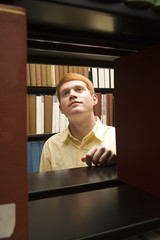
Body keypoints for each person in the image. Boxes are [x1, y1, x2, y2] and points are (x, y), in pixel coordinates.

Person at [40, 72, 116, 172]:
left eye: (79, 90)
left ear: (94, 99)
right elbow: (47, 185)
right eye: (65, 93)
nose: (72, 95)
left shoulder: (118, 138)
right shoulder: (51, 145)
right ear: (61, 108)